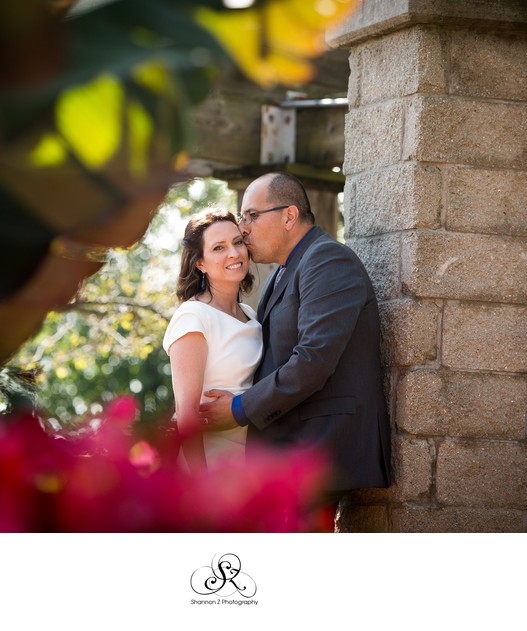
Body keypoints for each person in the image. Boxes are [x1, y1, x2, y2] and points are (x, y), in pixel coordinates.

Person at [200, 172, 392, 522]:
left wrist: (240, 408)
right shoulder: (281, 273)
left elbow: (313, 360)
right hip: (289, 453)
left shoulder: (328, 260)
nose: (242, 228)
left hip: (318, 449)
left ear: (288, 216)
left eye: (251, 216)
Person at [162, 208, 262, 473]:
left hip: (248, 460)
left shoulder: (250, 315)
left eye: (237, 242)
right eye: (219, 247)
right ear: (200, 263)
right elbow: (186, 413)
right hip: (209, 462)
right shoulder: (193, 317)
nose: (234, 253)